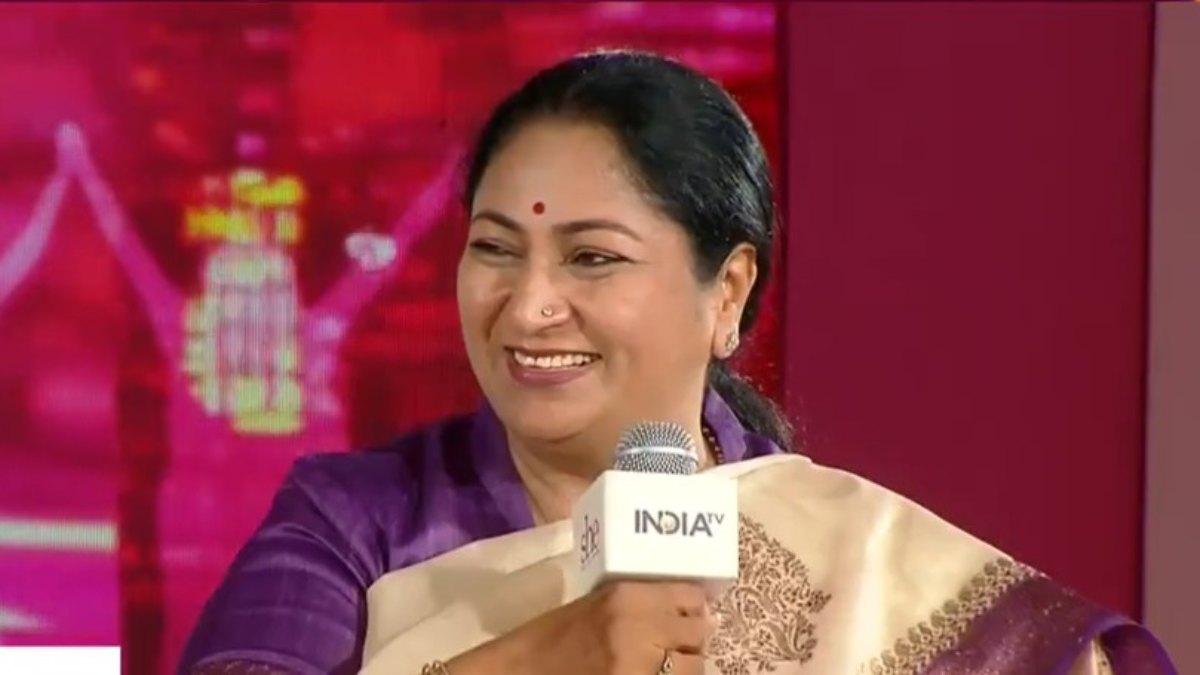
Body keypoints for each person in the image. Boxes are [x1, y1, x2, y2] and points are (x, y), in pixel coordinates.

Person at [179, 50, 1175, 675]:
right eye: (494, 248)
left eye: (592, 258)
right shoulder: (355, 522)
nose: (527, 305)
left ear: (727, 292)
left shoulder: (853, 555)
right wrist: (544, 657)